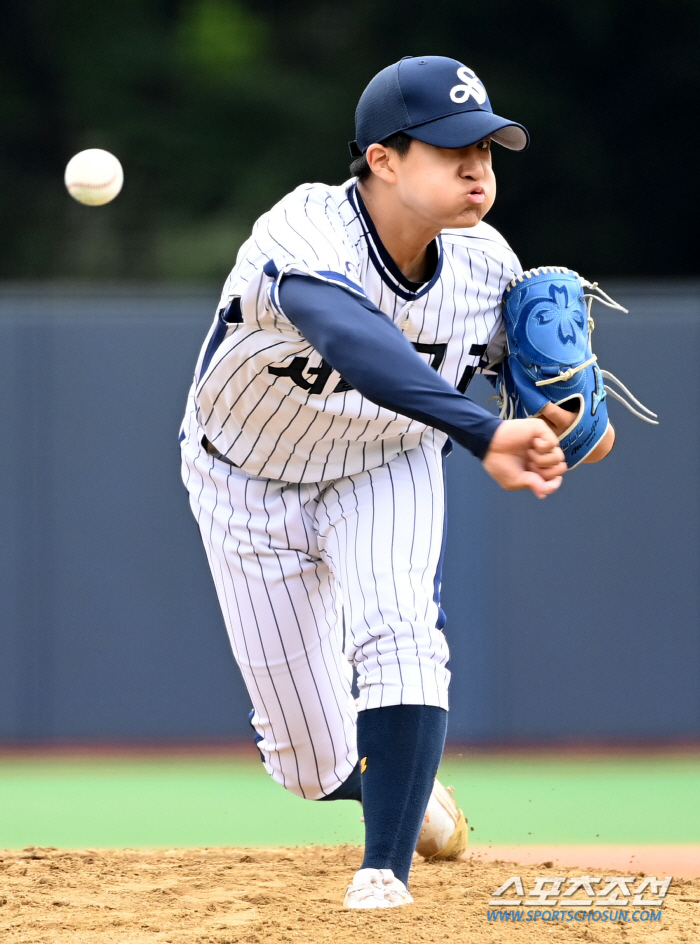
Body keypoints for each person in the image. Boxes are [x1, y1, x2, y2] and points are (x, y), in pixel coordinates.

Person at [179, 55, 568, 909]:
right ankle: (411, 789)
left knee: (400, 632)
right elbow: (354, 339)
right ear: (382, 159)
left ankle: (382, 875)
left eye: (488, 150)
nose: (477, 166)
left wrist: (562, 424)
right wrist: (480, 430)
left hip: (385, 463)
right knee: (308, 761)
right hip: (244, 476)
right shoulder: (305, 228)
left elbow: (552, 424)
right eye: (449, 147)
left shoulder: (489, 270)